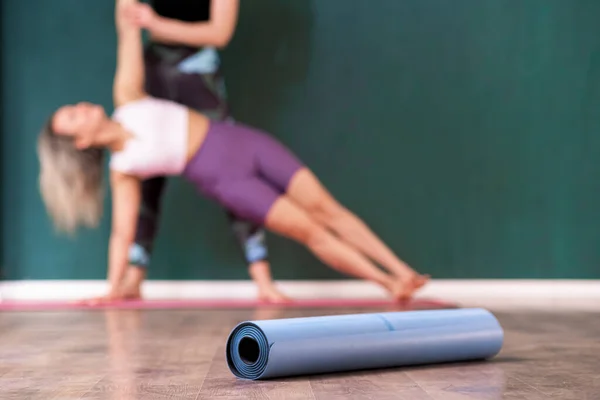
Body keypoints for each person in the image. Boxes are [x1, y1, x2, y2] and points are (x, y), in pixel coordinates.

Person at [37, 0, 429, 304]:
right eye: (74, 117)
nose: (82, 107)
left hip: (248, 143)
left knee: (328, 208)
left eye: (73, 107)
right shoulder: (124, 170)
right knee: (311, 229)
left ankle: (402, 270)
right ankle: (387, 283)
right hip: (229, 181)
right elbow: (122, 234)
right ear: (82, 143)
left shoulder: (127, 95)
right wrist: (112, 286)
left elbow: (127, 27)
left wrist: (134, 16)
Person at [115, 0, 285, 303]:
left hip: (200, 73)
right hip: (153, 71)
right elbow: (127, 26)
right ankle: (132, 278)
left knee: (234, 171)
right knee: (145, 177)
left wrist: (155, 23)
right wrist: (128, 89)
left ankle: (263, 278)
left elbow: (219, 33)